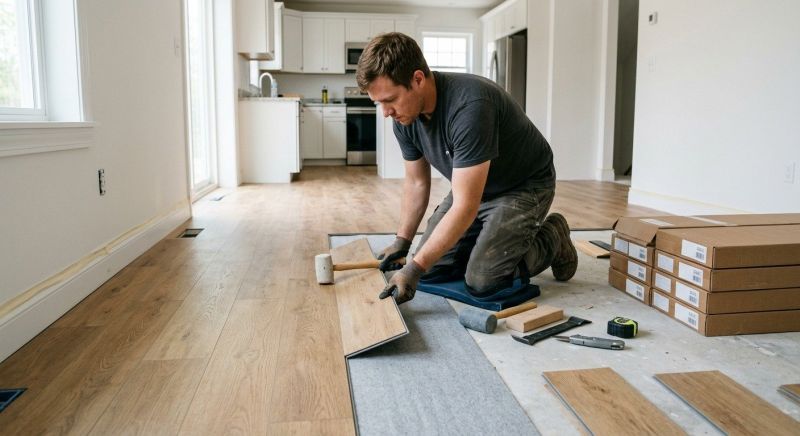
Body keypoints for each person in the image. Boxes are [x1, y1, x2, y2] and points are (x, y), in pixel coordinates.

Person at [356, 32, 577, 305]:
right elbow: (416, 183)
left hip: (522, 186)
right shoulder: (404, 117)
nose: (385, 112)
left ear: (417, 79)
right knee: (431, 271)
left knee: (484, 281)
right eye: (379, 103)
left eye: (390, 99)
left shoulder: (470, 106)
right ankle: (487, 243)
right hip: (473, 187)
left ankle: (553, 234)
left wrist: (413, 268)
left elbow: (465, 206)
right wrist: (403, 242)